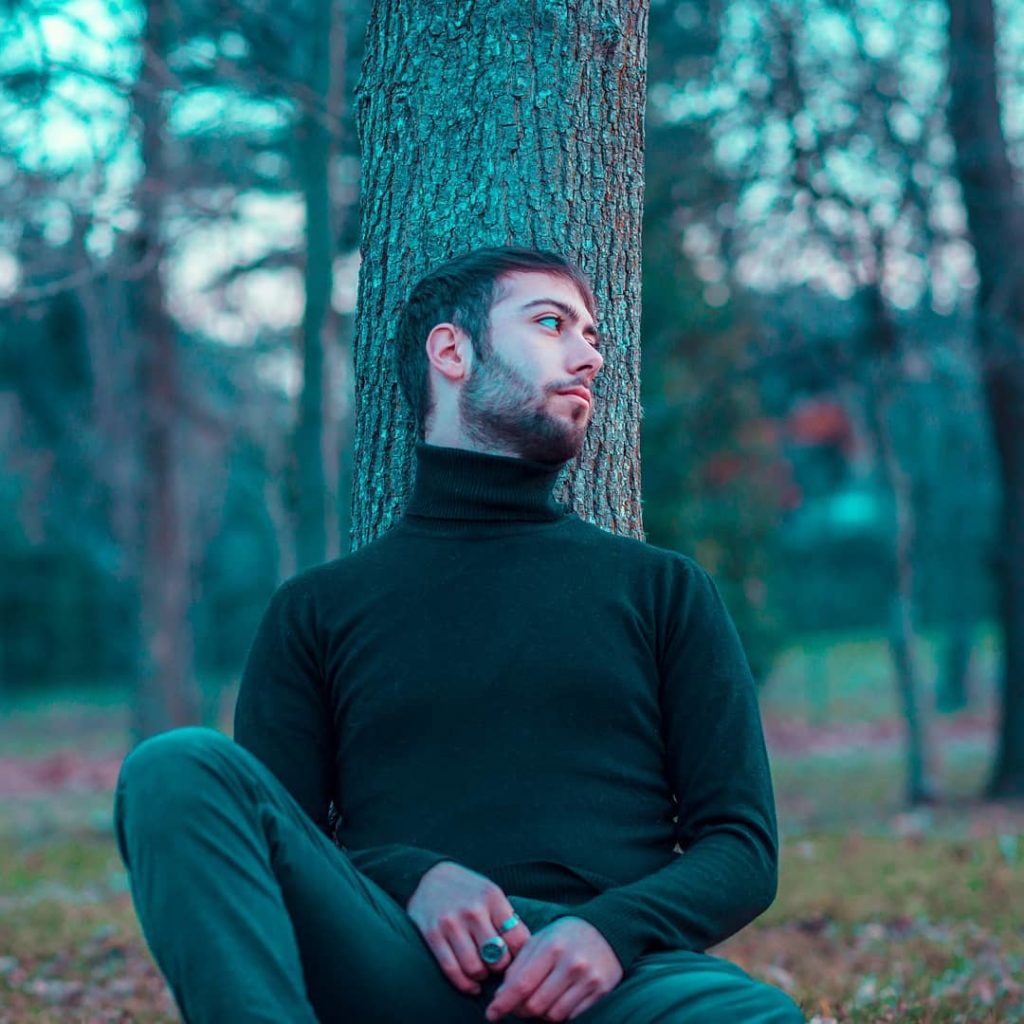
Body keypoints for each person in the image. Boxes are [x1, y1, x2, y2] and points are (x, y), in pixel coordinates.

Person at [113, 245, 805, 1023]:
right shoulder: (319, 611)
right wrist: (415, 876)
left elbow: (741, 846)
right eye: (552, 323)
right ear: (451, 350)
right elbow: (277, 850)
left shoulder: (662, 590)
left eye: (594, 336)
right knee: (176, 766)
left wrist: (608, 931)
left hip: (611, 978)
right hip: (393, 964)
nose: (589, 356)